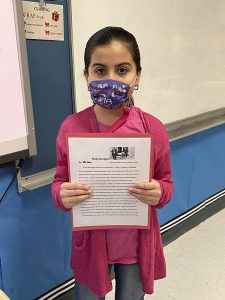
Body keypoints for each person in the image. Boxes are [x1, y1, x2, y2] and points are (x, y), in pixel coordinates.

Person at [51, 26, 174, 300]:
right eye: (99, 70)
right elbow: (60, 181)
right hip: (92, 246)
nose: (110, 79)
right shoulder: (72, 127)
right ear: (86, 75)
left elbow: (166, 183)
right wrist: (61, 194)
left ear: (137, 75)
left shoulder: (152, 129)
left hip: (135, 246)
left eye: (122, 70)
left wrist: (159, 192)